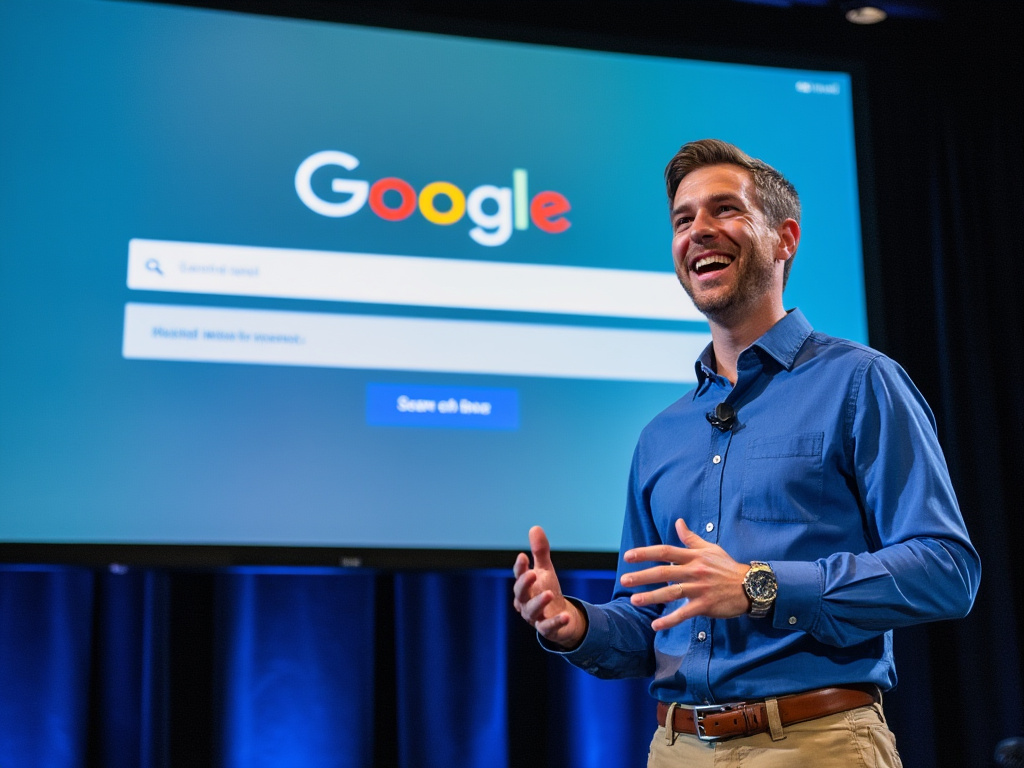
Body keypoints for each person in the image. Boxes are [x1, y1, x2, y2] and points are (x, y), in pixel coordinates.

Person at [512, 139, 981, 766]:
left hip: (818, 742)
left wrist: (762, 586)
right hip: (677, 747)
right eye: (683, 220)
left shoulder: (859, 382)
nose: (698, 231)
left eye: (723, 210)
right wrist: (575, 624)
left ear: (784, 238)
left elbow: (946, 571)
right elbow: (645, 623)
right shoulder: (662, 435)